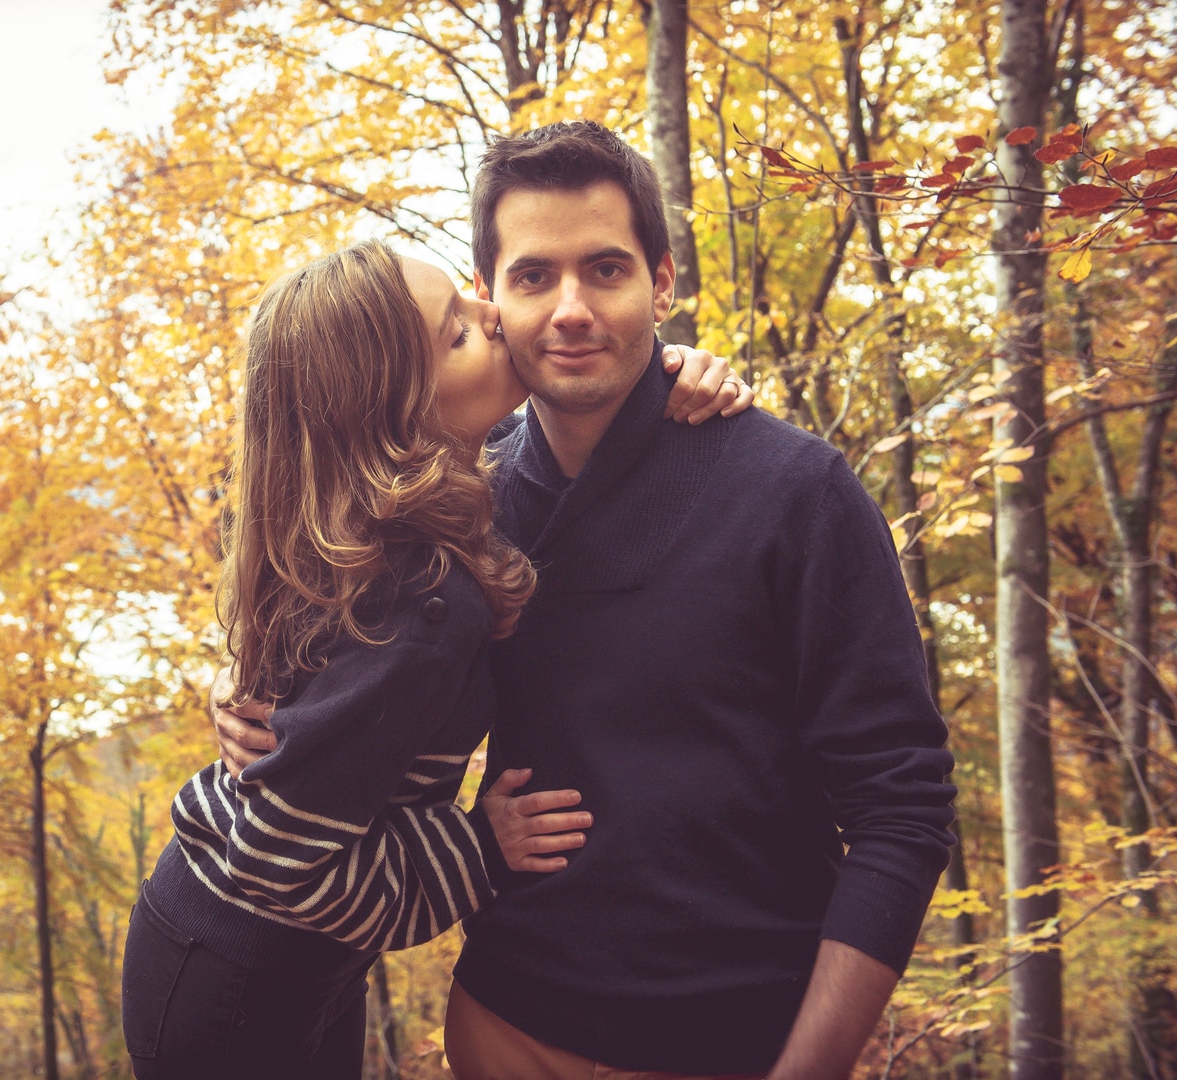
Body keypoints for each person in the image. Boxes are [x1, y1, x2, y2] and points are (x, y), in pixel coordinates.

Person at [214, 122, 958, 1080]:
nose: (570, 309)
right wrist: (244, 698)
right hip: (502, 1027)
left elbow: (903, 805)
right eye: (534, 277)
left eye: (606, 270)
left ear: (663, 282)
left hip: (740, 1045)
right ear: (490, 298)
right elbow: (323, 614)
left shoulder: (794, 492)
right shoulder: (458, 510)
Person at [122, 239, 752, 1079]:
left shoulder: (373, 521)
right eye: (457, 333)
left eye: (470, 302)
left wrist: (670, 371)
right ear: (397, 413)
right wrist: (479, 850)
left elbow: (581, 418)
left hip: (284, 953)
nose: (496, 315)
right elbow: (275, 861)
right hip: (230, 981)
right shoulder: (419, 600)